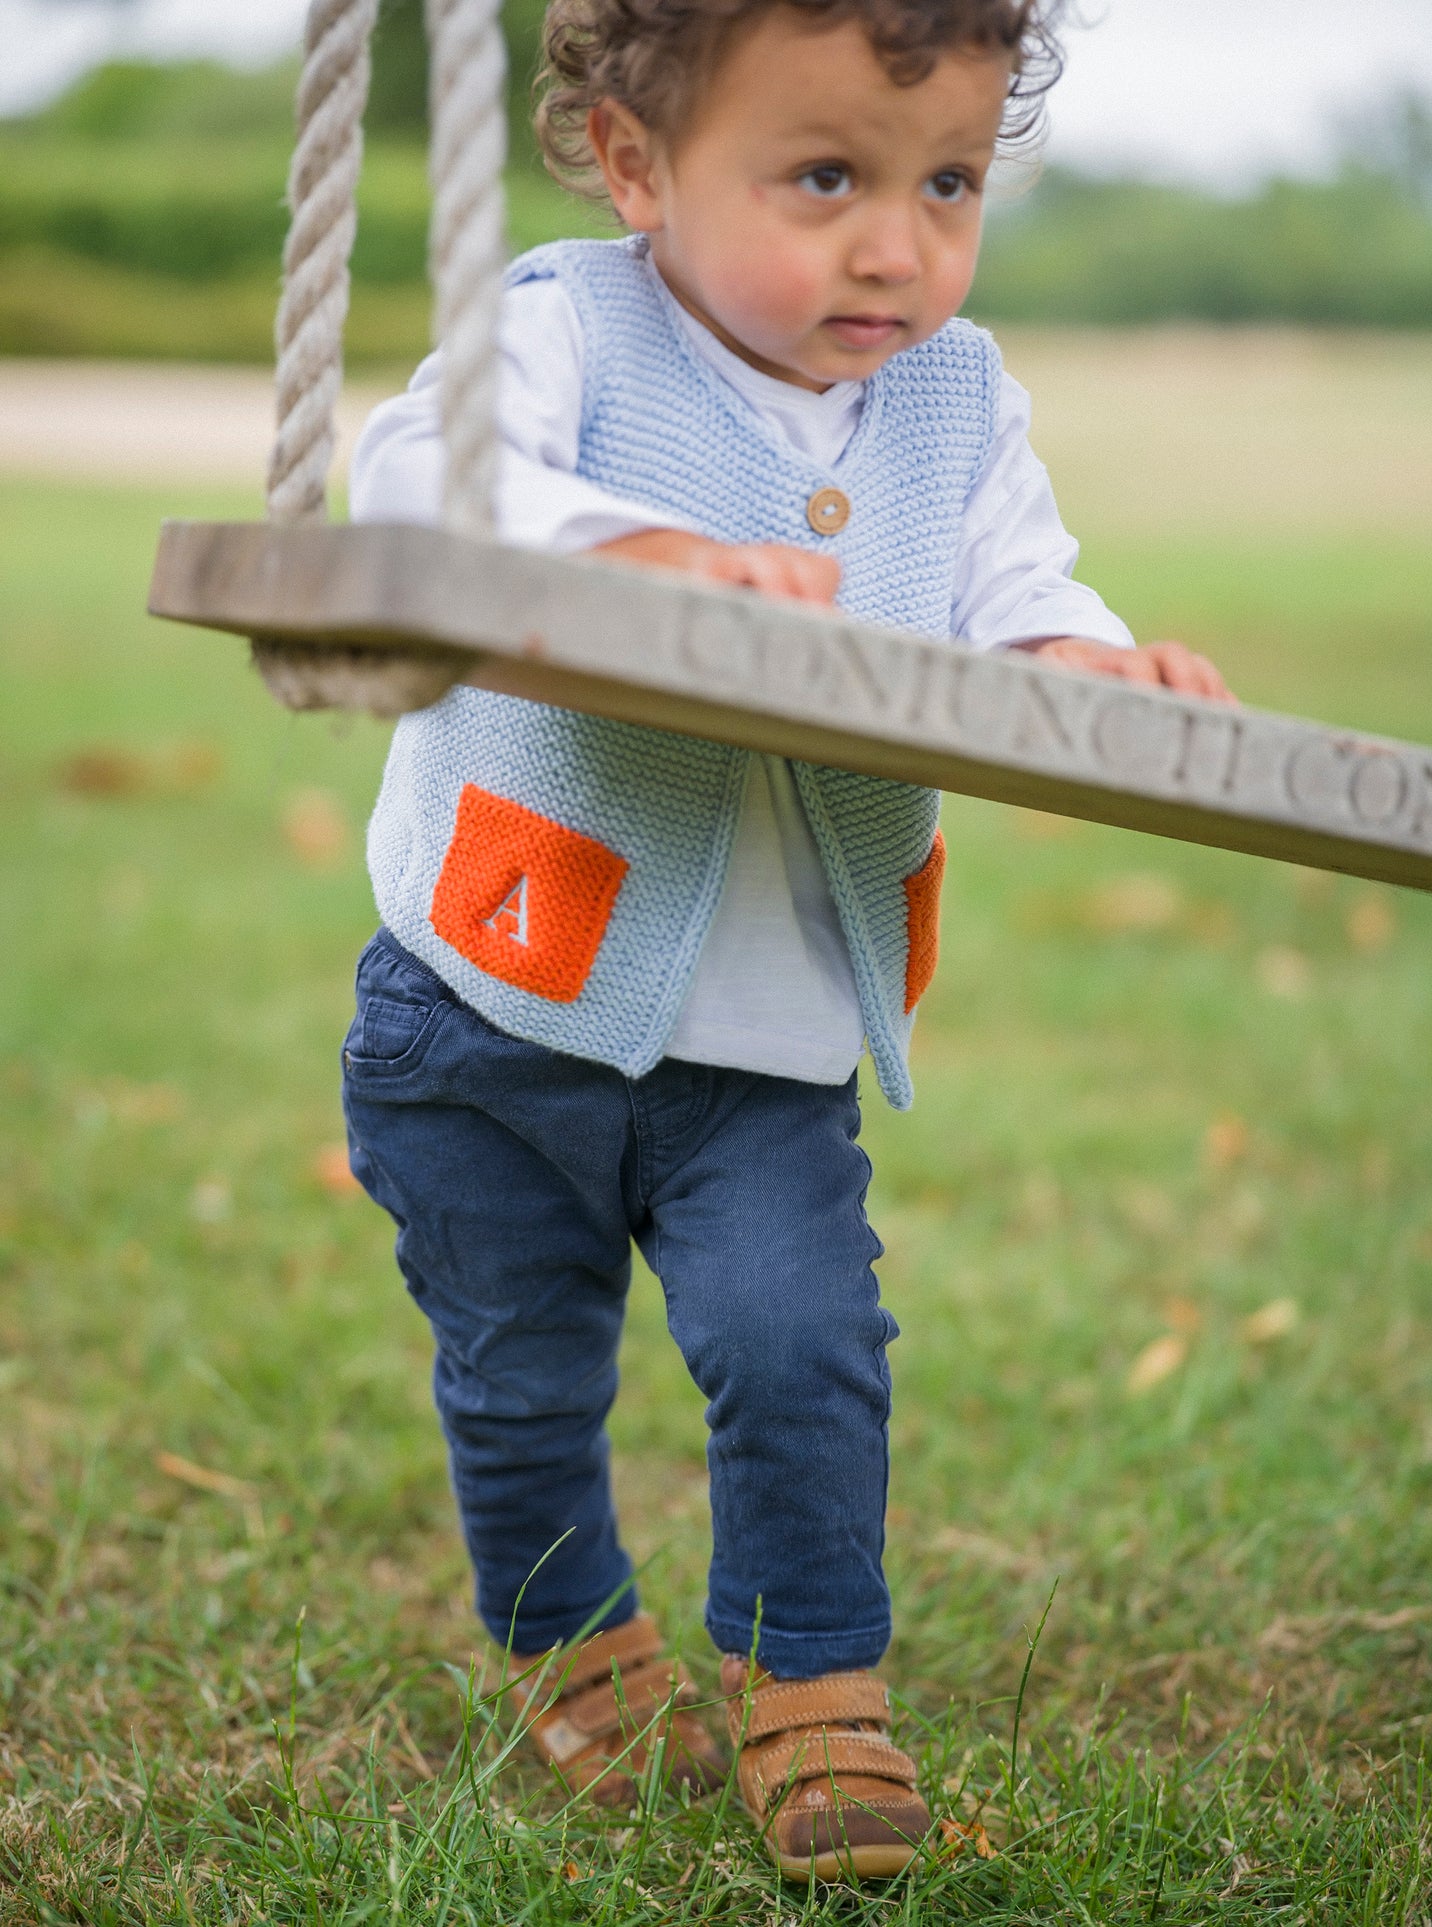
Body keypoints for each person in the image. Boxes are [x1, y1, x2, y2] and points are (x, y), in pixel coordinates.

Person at [344, 0, 1231, 1881]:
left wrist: (1087, 665)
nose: (895, 243)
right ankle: (568, 1641)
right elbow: (422, 482)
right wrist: (631, 558)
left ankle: (813, 1680)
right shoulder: (567, 326)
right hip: (494, 1007)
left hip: (767, 1038)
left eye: (947, 183)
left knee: (804, 1340)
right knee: (521, 1367)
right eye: (824, 174)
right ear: (639, 165)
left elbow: (1015, 583)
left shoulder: (956, 395)